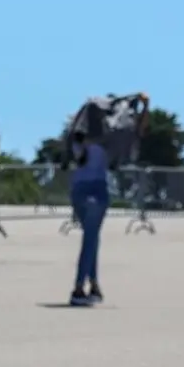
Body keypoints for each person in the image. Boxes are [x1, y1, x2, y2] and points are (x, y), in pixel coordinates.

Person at [67, 130, 109, 306]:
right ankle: (78, 287)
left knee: (92, 238)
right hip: (97, 190)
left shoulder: (78, 139)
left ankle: (93, 284)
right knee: (90, 239)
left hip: (78, 190)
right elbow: (136, 134)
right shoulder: (107, 140)